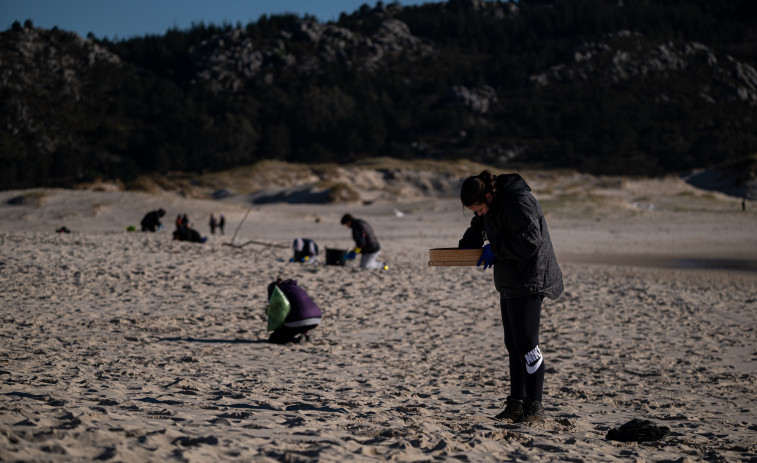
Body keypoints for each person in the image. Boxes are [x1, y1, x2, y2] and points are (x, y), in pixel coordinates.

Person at [458, 170, 563, 423]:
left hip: (531, 277)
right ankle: (516, 403)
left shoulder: (518, 201)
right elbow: (479, 226)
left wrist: (496, 249)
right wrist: (467, 245)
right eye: (474, 210)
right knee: (513, 345)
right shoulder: (490, 207)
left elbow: (531, 241)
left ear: (489, 195)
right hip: (509, 279)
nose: (478, 213)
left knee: (527, 343)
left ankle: (535, 405)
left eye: (479, 208)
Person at [266, 278, 322, 344]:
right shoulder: (295, 287)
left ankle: (295, 340)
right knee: (298, 314)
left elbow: (280, 313)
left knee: (274, 339)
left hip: (299, 320)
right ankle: (305, 334)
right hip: (317, 319)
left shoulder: (278, 292)